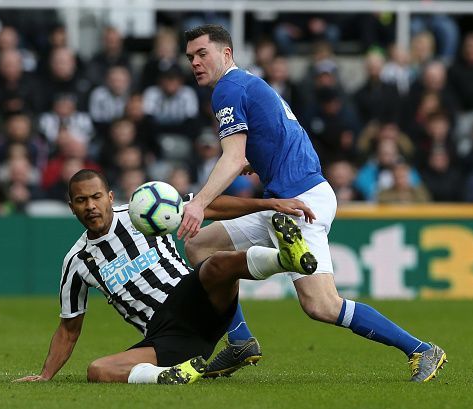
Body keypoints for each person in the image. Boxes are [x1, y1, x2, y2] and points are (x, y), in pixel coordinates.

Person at [180, 24, 447, 382]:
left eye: (202, 54)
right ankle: (240, 340)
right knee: (199, 246)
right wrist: (257, 161)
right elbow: (279, 133)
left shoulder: (227, 88)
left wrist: (199, 203)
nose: (195, 62)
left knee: (321, 305)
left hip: (300, 201)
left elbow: (231, 156)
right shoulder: (249, 84)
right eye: (190, 57)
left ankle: (421, 349)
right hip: (286, 200)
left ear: (225, 54)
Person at [14, 168, 317, 384]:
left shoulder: (142, 208)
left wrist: (268, 204)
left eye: (96, 197)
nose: (90, 206)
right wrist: (45, 375)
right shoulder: (77, 261)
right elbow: (69, 329)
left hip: (193, 298)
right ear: (71, 207)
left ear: (109, 196)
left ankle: (285, 258)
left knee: (215, 264)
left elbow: (204, 206)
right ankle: (170, 376)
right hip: (168, 337)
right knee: (98, 370)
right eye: (81, 201)